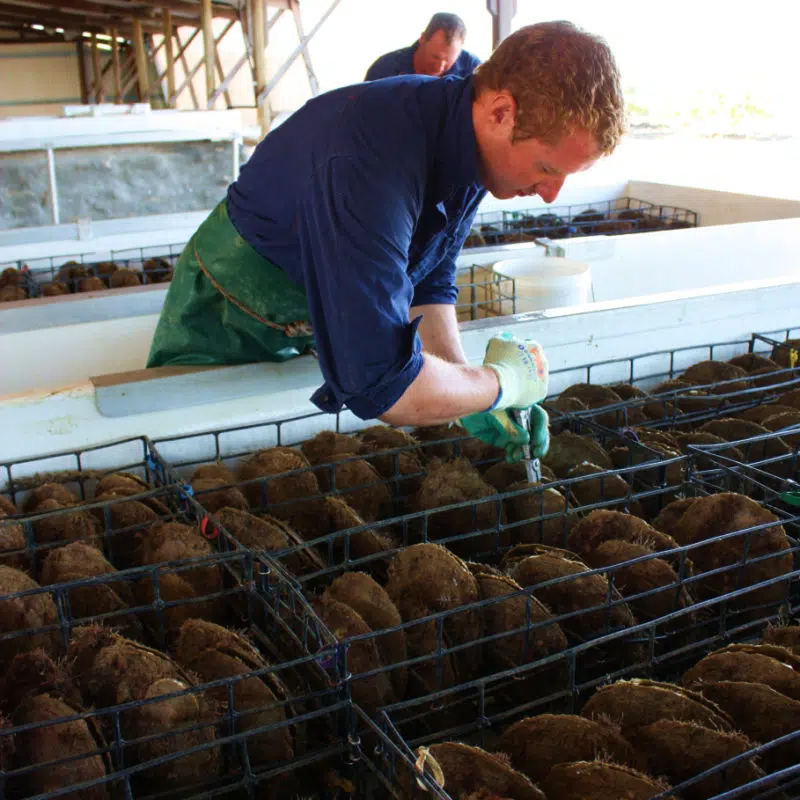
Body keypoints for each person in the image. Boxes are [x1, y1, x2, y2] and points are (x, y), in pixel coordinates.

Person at [147, 21, 626, 461]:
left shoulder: (473, 147)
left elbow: (428, 280)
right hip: (234, 309)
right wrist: (498, 384)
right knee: (201, 453)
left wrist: (467, 393)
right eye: (547, 169)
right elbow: (380, 384)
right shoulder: (371, 160)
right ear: (501, 112)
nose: (549, 196)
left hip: (318, 308)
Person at [364, 12, 480, 80]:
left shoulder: (473, 71)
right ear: (423, 38)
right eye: (435, 57)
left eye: (448, 60)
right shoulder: (384, 69)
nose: (439, 67)